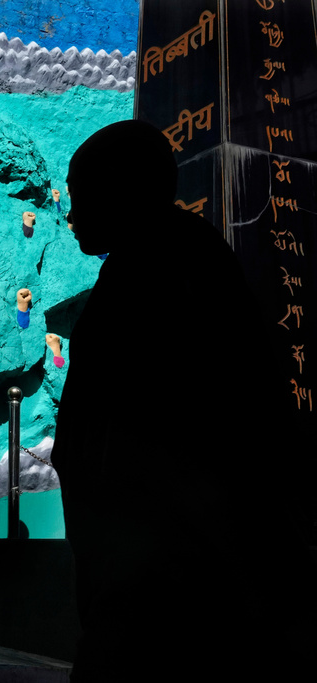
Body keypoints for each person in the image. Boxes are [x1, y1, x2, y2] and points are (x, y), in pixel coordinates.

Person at [52, 120, 315, 681]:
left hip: (169, 583)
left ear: (120, 190)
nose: (71, 215)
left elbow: (166, 429)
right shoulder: (155, 262)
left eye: (80, 196)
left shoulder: (166, 268)